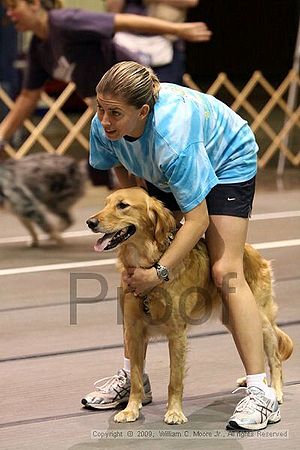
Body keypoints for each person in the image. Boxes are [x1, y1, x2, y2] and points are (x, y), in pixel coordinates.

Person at [81, 61, 281, 431]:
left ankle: (260, 391)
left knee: (225, 270)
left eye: (115, 113)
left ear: (143, 111)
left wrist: (159, 273)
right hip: (163, 166)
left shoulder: (174, 138)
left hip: (226, 161)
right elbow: (123, 175)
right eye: (100, 108)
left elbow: (198, 220)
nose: (104, 120)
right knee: (132, 267)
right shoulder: (103, 126)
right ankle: (134, 378)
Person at [0, 0, 211, 186]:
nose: (9, 14)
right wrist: (2, 135)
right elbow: (28, 97)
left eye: (13, 6)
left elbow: (122, 20)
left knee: (151, 171)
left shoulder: (65, 21)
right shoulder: (39, 48)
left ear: (34, 4)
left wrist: (177, 30)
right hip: (105, 111)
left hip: (133, 100)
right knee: (118, 171)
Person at [105, 0, 200, 84]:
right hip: (126, 39)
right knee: (123, 91)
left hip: (167, 41)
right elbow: (112, 13)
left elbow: (191, 1)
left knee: (167, 92)